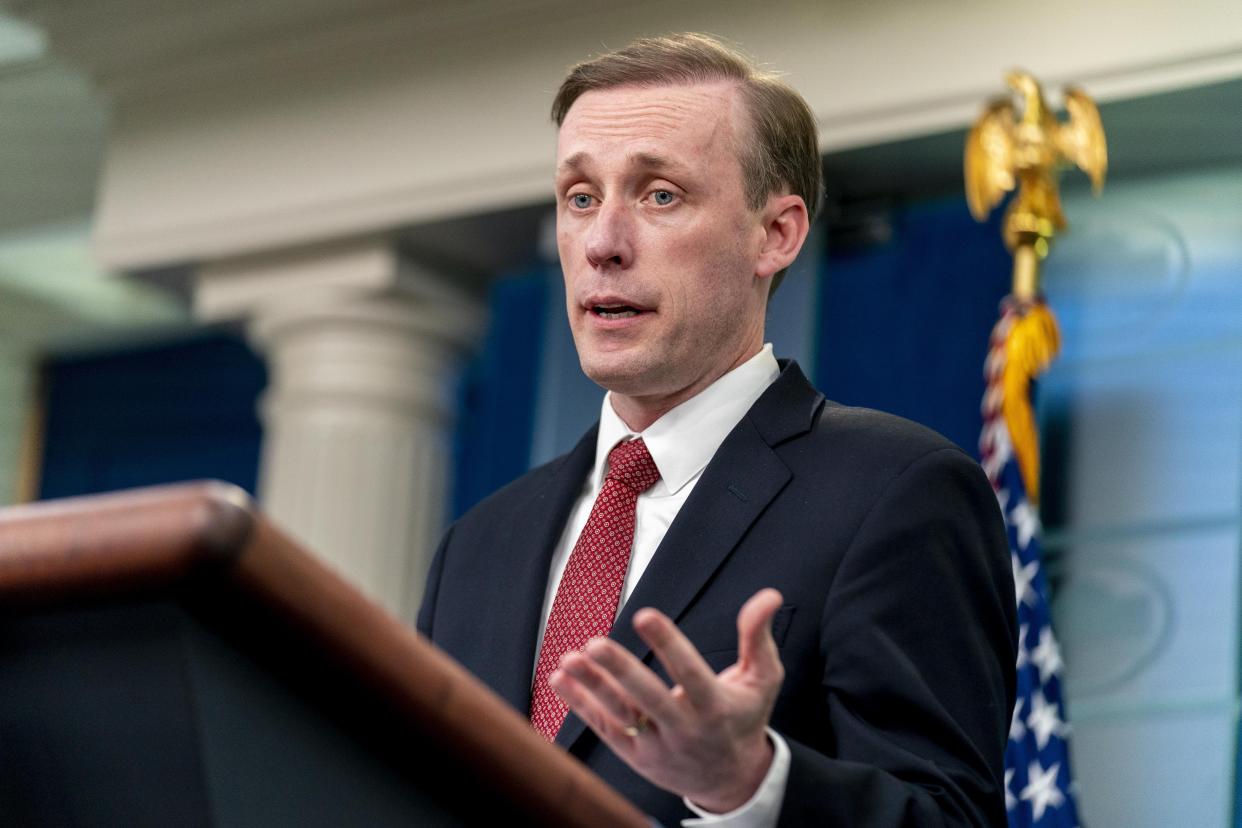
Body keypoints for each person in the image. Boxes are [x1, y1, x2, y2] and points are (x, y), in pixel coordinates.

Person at [417, 33, 1016, 827]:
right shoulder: (478, 545)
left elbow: (949, 817)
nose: (601, 244)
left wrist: (752, 786)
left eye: (660, 195)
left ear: (776, 235)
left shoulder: (895, 491)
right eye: (580, 198)